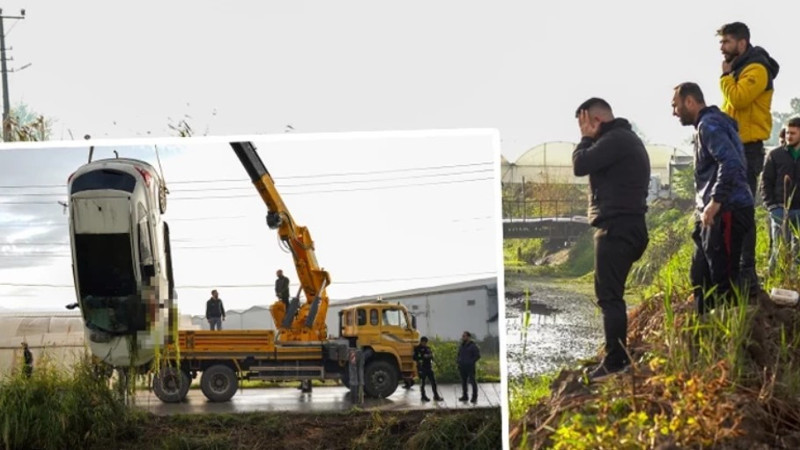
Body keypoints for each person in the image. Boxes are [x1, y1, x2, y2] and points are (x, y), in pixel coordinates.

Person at [571, 98, 650, 380]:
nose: (581, 129)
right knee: (611, 296)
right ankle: (615, 356)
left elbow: (580, 164)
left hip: (617, 227)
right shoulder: (624, 139)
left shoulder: (615, 139)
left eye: (583, 123)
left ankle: (615, 363)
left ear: (595, 121)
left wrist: (583, 139)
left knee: (609, 297)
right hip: (628, 226)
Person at [672, 82, 755, 314]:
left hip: (727, 209)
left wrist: (715, 201)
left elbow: (730, 162)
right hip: (712, 212)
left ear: (690, 102)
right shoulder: (710, 124)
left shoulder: (709, 126)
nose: (674, 112)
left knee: (723, 279)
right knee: (700, 275)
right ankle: (704, 334)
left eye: (676, 106)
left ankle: (731, 336)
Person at [717, 21, 780, 292]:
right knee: (732, 211)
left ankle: (747, 273)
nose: (722, 48)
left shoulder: (756, 69)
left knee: (743, 212)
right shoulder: (740, 70)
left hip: (749, 148)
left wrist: (725, 78)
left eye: (726, 42)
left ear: (742, 43)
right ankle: (733, 271)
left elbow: (740, 99)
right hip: (734, 147)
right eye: (721, 43)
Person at [761, 117, 800, 274]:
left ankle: (794, 285)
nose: (789, 136)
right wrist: (771, 206)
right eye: (788, 132)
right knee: (778, 250)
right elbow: (765, 182)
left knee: (797, 251)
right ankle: (773, 284)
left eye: (793, 133)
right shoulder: (775, 155)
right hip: (779, 209)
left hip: (799, 210)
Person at [413, 337, 443, 402]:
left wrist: (431, 356)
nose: (424, 344)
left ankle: (436, 396)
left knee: (433, 382)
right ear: (421, 342)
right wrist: (422, 356)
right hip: (421, 368)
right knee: (423, 383)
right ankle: (423, 396)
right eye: (423, 342)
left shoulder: (428, 348)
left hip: (429, 367)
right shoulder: (417, 349)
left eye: (426, 342)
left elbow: (432, 356)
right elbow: (414, 357)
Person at [456, 331, 480, 403]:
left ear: (468, 337)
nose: (463, 337)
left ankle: (474, 397)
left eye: (464, 336)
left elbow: (477, 356)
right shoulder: (462, 346)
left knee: (472, 381)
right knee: (464, 382)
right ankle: (465, 396)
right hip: (462, 366)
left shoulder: (473, 346)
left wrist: (471, 362)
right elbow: (459, 354)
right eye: (463, 336)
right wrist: (458, 361)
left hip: (470, 367)